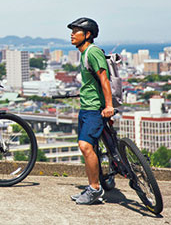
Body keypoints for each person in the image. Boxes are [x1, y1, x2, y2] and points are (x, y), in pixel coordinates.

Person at [67, 17, 115, 204]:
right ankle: (91, 185)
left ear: (87, 35)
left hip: (95, 108)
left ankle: (95, 189)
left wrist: (109, 105)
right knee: (90, 146)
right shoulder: (84, 52)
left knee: (85, 146)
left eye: (76, 31)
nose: (72, 34)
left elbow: (104, 79)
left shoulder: (92, 52)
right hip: (86, 107)